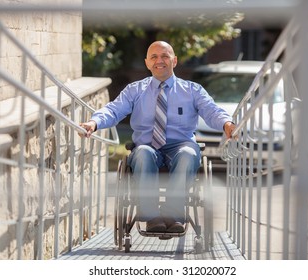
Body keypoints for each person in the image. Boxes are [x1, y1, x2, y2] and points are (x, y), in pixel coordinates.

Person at [79, 41, 235, 234]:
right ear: (147, 63)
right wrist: (94, 123)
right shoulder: (135, 90)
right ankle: (152, 217)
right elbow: (114, 110)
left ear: (174, 61)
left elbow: (212, 111)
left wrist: (227, 124)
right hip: (147, 146)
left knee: (188, 152)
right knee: (143, 153)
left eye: (165, 56)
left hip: (181, 145)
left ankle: (173, 215)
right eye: (154, 57)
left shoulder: (192, 90)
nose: (159, 61)